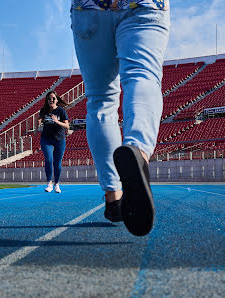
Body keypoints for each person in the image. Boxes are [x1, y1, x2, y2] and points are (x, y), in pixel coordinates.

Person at [70, 0, 170, 236]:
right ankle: (138, 152)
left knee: (100, 101)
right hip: (145, 4)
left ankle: (114, 197)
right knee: (142, 76)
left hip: (90, 7)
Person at [38, 91, 69, 193]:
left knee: (57, 163)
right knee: (49, 160)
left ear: (56, 100)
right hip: (46, 139)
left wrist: (57, 121)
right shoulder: (44, 110)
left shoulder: (61, 111)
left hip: (59, 139)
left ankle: (57, 184)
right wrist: (38, 123)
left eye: (53, 98)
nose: (51, 100)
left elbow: (67, 126)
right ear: (47, 101)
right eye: (49, 99)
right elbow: (40, 120)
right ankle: (49, 183)